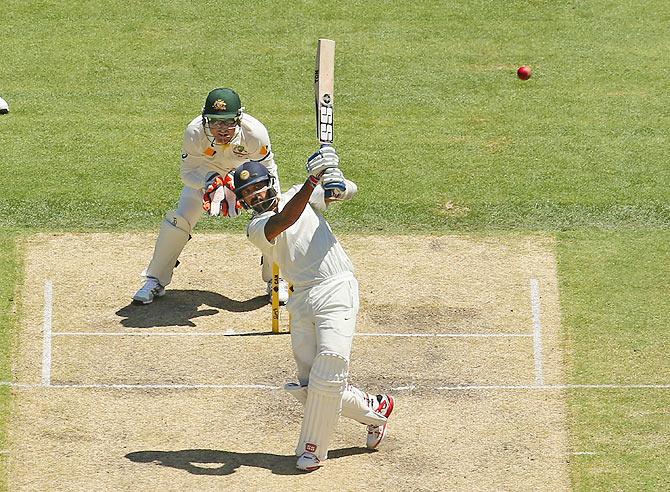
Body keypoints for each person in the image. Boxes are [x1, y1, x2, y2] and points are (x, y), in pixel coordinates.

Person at [232, 147, 394, 472]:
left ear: (271, 182)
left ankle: (312, 451)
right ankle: (376, 409)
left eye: (259, 186)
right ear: (244, 201)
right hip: (302, 298)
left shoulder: (300, 194)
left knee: (330, 368)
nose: (256, 194)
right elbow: (285, 219)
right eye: (248, 193)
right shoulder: (258, 227)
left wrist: (335, 181)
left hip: (337, 286)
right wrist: (312, 180)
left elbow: (347, 191)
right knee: (311, 388)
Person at [133, 88, 289, 304]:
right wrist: (209, 183)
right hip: (206, 180)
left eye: (228, 121)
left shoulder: (255, 133)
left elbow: (269, 170)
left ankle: (275, 279)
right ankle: (154, 281)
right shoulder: (195, 132)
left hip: (247, 181)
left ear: (239, 118)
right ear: (206, 119)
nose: (222, 129)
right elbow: (187, 174)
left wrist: (274, 205)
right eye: (215, 121)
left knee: (273, 220)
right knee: (178, 221)